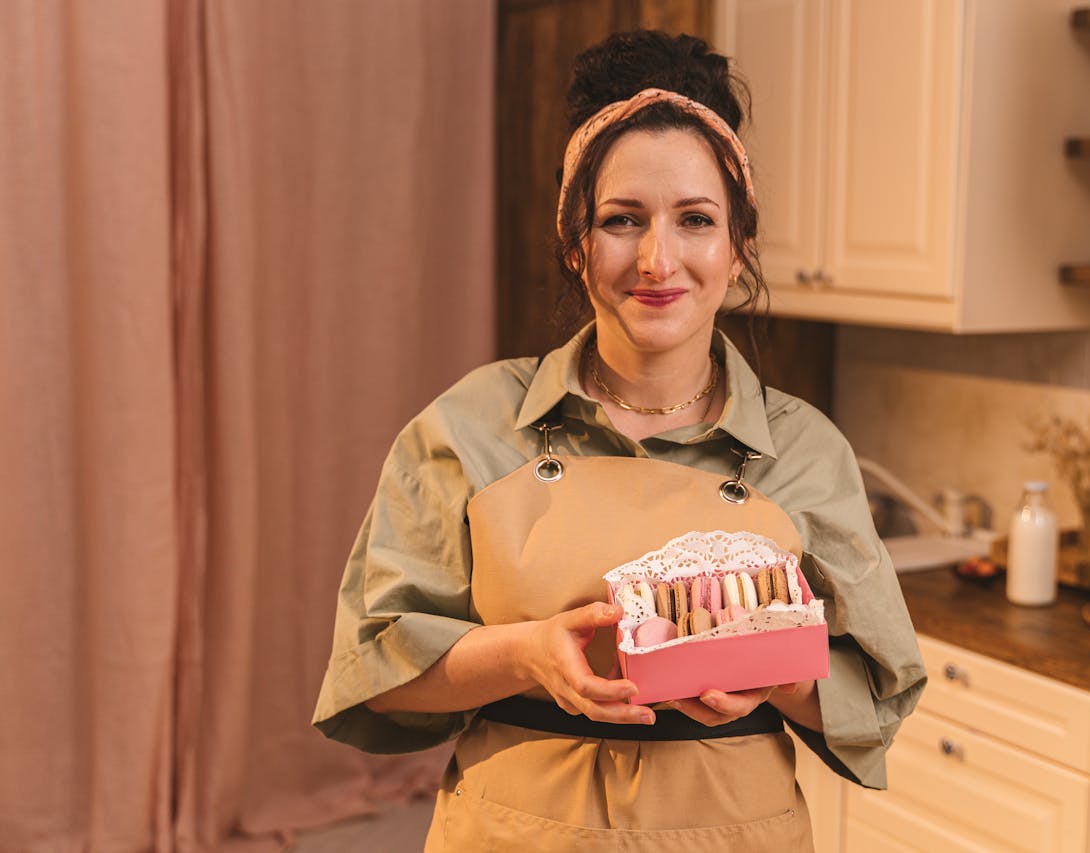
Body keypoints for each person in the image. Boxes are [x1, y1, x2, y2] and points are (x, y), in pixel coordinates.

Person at [313, 30, 925, 851]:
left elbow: (876, 698)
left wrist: (771, 670)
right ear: (575, 244)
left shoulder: (806, 451)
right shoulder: (470, 426)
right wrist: (527, 655)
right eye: (621, 220)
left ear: (737, 248)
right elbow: (375, 665)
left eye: (695, 220)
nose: (657, 259)